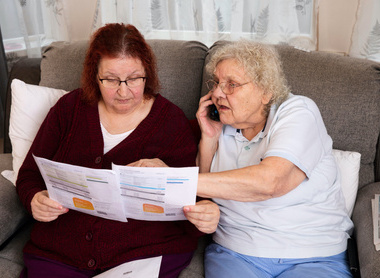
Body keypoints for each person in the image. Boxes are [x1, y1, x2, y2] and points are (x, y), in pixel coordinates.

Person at [16, 23, 219, 278]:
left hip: (142, 255)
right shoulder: (68, 110)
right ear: (94, 76)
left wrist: (204, 217)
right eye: (111, 80)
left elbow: (194, 208)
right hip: (61, 254)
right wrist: (35, 198)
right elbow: (28, 176)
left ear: (148, 73)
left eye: (134, 78)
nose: (123, 91)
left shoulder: (171, 123)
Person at [195, 40, 354, 278]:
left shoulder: (298, 112)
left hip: (312, 254)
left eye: (232, 85)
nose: (217, 93)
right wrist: (208, 139)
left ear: (266, 91)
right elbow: (203, 196)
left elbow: (271, 182)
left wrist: (173, 181)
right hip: (235, 252)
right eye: (217, 83)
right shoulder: (222, 124)